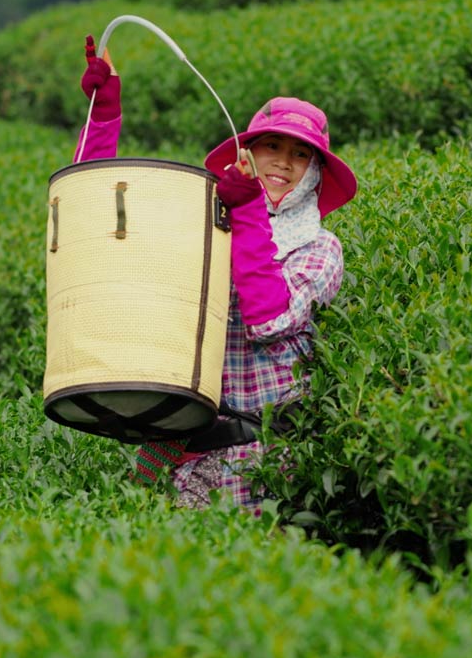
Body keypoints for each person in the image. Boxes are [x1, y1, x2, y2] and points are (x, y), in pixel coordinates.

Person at [73, 35, 357, 512]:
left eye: (301, 154)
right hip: (179, 439)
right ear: (248, 154)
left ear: (314, 173)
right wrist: (103, 116)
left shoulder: (320, 249)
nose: (284, 162)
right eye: (271, 145)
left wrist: (245, 213)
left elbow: (268, 320)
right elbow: (103, 228)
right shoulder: (206, 221)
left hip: (263, 454)